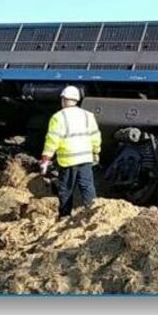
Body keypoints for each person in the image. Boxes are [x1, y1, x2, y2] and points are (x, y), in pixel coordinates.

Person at [40, 86, 101, 218]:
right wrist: (96, 152)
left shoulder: (58, 117)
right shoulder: (88, 115)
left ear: (63, 99)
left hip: (68, 161)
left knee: (66, 189)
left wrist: (45, 159)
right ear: (77, 100)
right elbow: (95, 136)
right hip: (85, 158)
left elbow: (52, 141)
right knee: (87, 187)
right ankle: (92, 214)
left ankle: (65, 216)